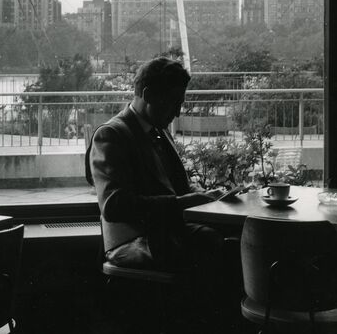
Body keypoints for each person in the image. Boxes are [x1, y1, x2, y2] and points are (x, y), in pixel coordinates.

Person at [86, 57, 233, 326]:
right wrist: (182, 202)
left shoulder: (154, 131)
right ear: (149, 95)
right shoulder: (111, 135)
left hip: (159, 232)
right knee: (218, 247)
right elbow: (114, 205)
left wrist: (208, 195)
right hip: (133, 239)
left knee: (230, 242)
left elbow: (171, 189)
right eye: (174, 102)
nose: (177, 112)